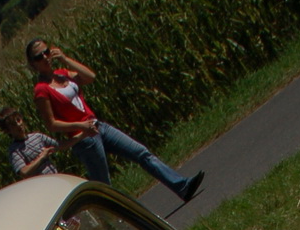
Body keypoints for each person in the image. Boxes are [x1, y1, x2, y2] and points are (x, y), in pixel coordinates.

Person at [26, 39, 204, 201]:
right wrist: (81, 126)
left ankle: (182, 186)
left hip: (99, 126)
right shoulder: (41, 90)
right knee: (105, 188)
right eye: (39, 57)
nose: (45, 57)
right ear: (33, 64)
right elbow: (52, 124)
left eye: (46, 52)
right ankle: (111, 228)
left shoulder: (62, 74)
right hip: (84, 139)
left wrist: (65, 59)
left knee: (141, 153)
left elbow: (90, 77)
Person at [0, 106, 59, 179]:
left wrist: (75, 138)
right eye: (13, 124)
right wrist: (42, 156)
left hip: (55, 178)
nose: (18, 125)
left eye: (18, 120)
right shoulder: (14, 151)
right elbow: (24, 172)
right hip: (41, 185)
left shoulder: (37, 136)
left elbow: (59, 145)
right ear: (7, 131)